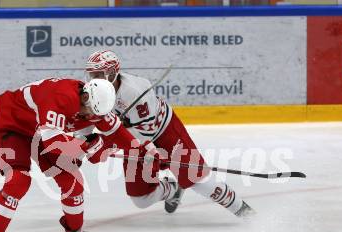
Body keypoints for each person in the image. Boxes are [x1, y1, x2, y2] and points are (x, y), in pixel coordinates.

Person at [0, 78, 152, 232]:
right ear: (84, 97)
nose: (92, 118)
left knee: (74, 184)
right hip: (14, 126)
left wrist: (141, 150)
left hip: (41, 132)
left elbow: (116, 131)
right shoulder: (61, 97)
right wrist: (86, 147)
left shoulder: (96, 105)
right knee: (18, 181)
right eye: (91, 113)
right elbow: (53, 143)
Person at [84, 50, 254, 216]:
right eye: (92, 75)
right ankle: (172, 190)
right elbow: (86, 121)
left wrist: (107, 145)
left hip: (165, 132)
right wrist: (81, 144)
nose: (93, 80)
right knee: (141, 199)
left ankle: (244, 211)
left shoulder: (135, 91)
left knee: (200, 181)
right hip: (133, 139)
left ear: (112, 72)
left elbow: (145, 133)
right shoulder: (91, 92)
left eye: (98, 74)